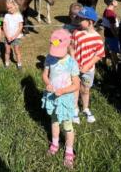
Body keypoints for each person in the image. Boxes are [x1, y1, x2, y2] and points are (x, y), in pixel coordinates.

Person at [42, 29, 80, 169]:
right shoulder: (49, 58)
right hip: (52, 97)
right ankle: (55, 143)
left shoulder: (72, 63)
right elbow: (45, 75)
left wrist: (63, 90)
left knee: (67, 126)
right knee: (54, 121)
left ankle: (69, 151)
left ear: (68, 45)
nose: (56, 55)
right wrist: (48, 84)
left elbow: (76, 85)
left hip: (65, 100)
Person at [70, 6, 105, 124]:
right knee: (75, 87)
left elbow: (99, 55)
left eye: (81, 19)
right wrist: (74, 60)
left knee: (85, 90)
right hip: (75, 68)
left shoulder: (97, 39)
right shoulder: (76, 33)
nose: (78, 20)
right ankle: (75, 109)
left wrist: (87, 66)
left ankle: (85, 108)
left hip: (88, 70)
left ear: (90, 22)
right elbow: (71, 46)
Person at [3, 0, 24, 69]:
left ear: (15, 6)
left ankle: (19, 64)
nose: (9, 10)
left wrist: (15, 36)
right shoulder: (6, 16)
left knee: (17, 51)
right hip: (7, 37)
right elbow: (4, 26)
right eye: (8, 8)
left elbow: (20, 27)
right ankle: (6, 64)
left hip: (16, 37)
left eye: (11, 7)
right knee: (7, 51)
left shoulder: (19, 16)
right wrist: (7, 36)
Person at [102, 0, 120, 70]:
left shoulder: (106, 11)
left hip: (107, 34)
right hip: (112, 35)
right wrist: (116, 35)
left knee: (106, 48)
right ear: (112, 2)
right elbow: (113, 27)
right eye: (116, 0)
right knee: (114, 51)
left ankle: (103, 63)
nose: (117, 2)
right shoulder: (111, 14)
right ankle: (115, 67)